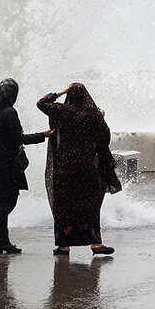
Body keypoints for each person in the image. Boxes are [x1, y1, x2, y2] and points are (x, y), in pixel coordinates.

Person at [37, 83, 122, 256]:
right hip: (87, 164)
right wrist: (101, 117)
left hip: (64, 164)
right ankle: (96, 245)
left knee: (63, 203)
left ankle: (63, 246)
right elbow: (105, 136)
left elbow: (41, 103)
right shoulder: (92, 114)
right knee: (90, 202)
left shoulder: (62, 111)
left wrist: (60, 92)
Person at [0, 78, 53, 254]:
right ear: (14, 94)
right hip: (4, 163)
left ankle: (3, 243)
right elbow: (20, 138)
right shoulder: (10, 112)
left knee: (0, 202)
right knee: (9, 202)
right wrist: (43, 135)